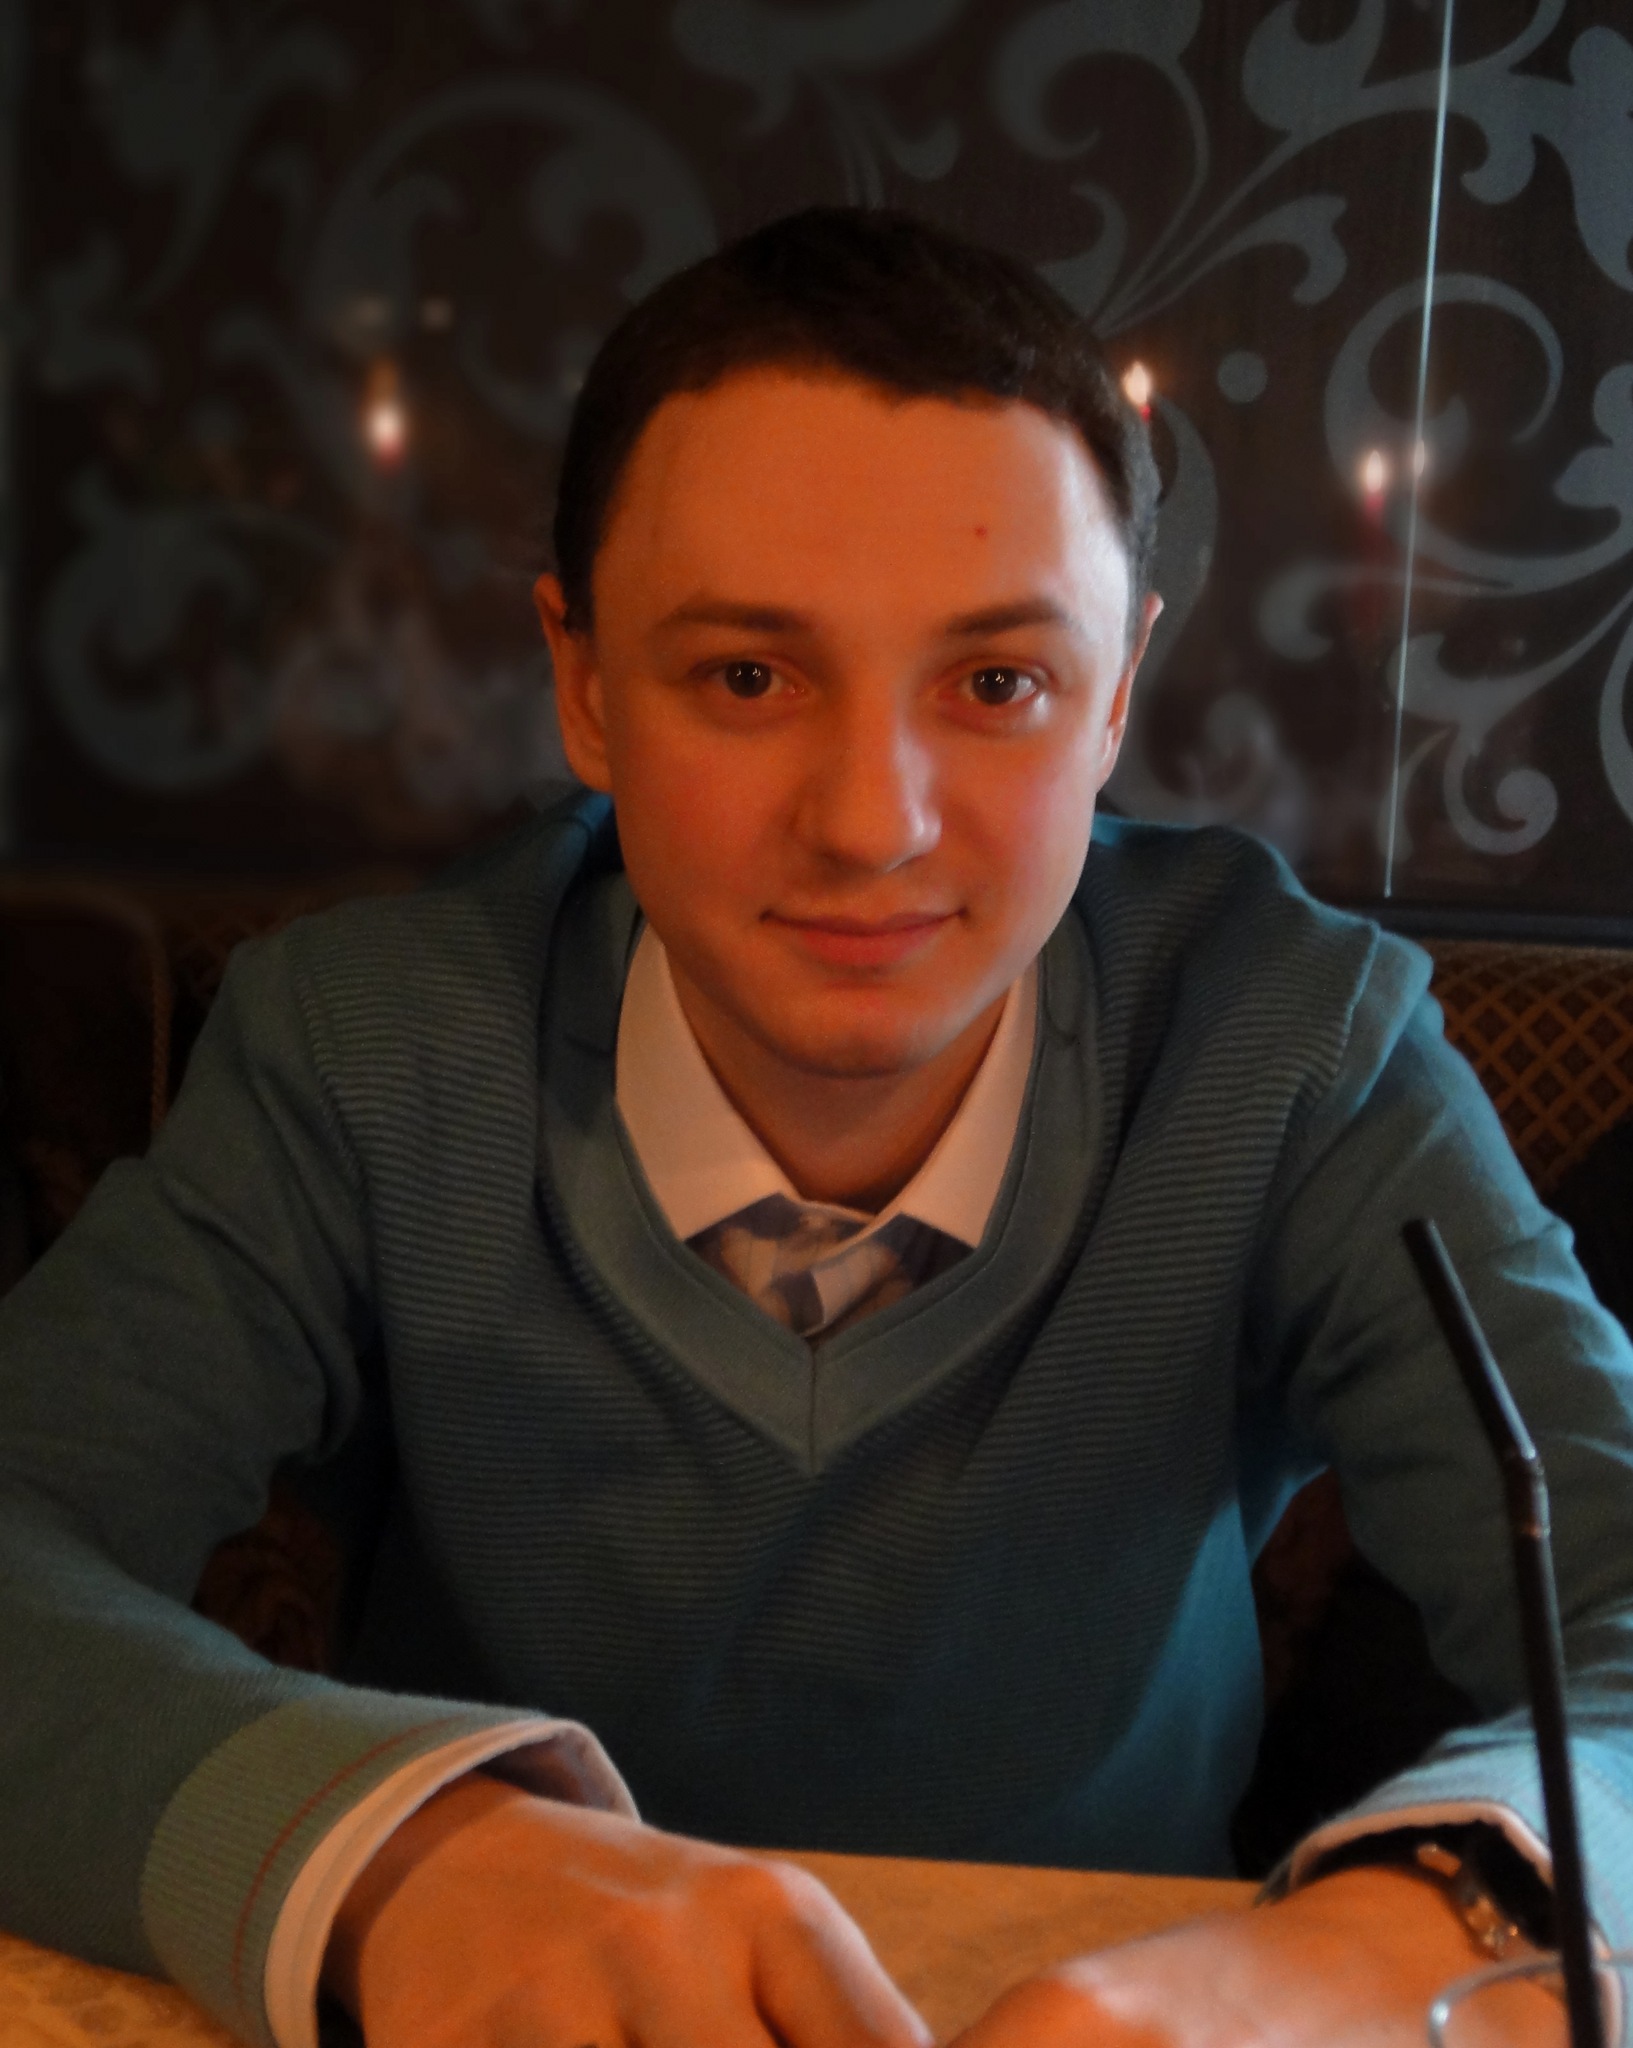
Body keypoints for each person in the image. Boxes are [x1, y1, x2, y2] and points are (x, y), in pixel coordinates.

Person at [1, 207, 1630, 2048]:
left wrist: (1380, 1949)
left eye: (997, 684)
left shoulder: (1294, 1050)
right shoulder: (364, 1047)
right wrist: (397, 1860)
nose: (872, 823)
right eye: (747, 677)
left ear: (1114, 693)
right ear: (585, 686)